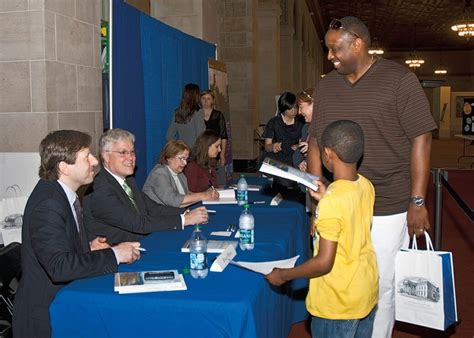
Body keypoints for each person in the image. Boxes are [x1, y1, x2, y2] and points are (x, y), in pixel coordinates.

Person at [306, 16, 437, 338]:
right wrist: (315, 199)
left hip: (388, 203)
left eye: (335, 49)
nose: (330, 56)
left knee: (381, 283)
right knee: (337, 280)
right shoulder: (327, 86)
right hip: (339, 204)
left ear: (358, 44)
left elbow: (422, 137)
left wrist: (417, 200)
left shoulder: (399, 80)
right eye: (328, 49)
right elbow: (314, 141)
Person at [12, 130, 141, 338]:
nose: (95, 161)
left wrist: (86, 247)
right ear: (64, 167)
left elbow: (54, 249)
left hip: (62, 303)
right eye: (86, 157)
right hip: (46, 318)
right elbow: (59, 267)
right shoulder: (48, 204)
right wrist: (116, 254)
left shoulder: (61, 194)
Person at [267, 120, 378, 337]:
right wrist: (326, 196)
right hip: (365, 290)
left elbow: (324, 262)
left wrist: (284, 275)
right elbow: (348, 214)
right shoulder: (365, 184)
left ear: (327, 154)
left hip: (338, 302)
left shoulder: (332, 202)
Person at [83, 129, 208, 245]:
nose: (130, 158)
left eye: (132, 152)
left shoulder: (128, 180)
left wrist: (186, 212)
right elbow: (137, 223)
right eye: (123, 153)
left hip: (144, 242)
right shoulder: (100, 189)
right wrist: (183, 220)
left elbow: (152, 208)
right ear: (106, 156)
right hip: (120, 255)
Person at [143, 140, 219, 208]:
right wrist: (203, 196)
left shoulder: (180, 174)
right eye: (182, 158)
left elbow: (185, 194)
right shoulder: (159, 173)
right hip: (157, 218)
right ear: (169, 157)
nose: (185, 163)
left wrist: (206, 193)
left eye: (186, 159)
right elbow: (173, 200)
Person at [263, 92, 304, 166]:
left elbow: (303, 142)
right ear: (283, 109)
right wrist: (273, 146)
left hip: (293, 158)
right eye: (289, 108)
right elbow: (267, 146)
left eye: (295, 107)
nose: (293, 111)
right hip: (276, 159)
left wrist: (298, 146)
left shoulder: (301, 122)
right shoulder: (274, 122)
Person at [166, 83, 206, 148]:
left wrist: (180, 148)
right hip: (195, 152)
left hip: (183, 153)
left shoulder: (177, 112)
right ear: (196, 96)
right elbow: (200, 136)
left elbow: (169, 136)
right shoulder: (198, 112)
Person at [200, 90, 229, 167]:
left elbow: (223, 136)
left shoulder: (218, 115)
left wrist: (222, 154)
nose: (206, 101)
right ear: (200, 100)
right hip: (201, 150)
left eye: (208, 99)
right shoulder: (197, 115)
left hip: (215, 150)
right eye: (203, 98)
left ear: (213, 100)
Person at [293, 87, 316, 172]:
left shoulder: (328, 128)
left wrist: (313, 150)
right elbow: (298, 152)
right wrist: (300, 162)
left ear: (314, 104)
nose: (299, 112)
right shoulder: (306, 127)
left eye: (301, 107)